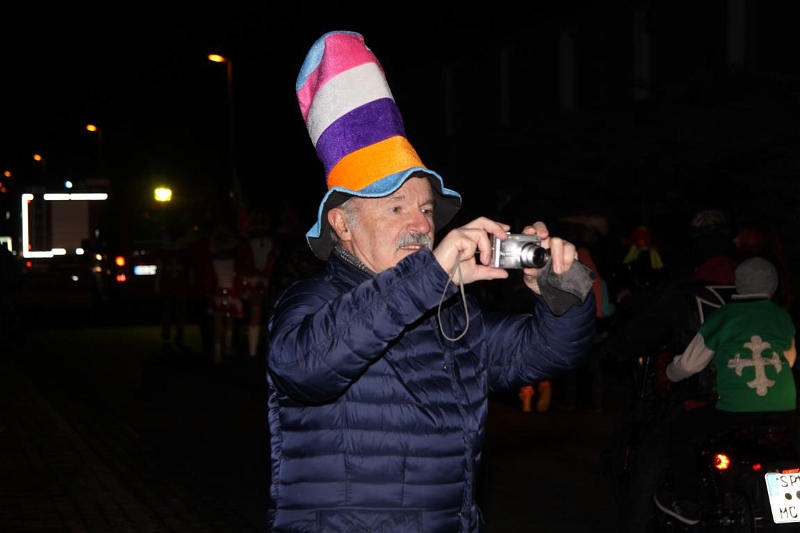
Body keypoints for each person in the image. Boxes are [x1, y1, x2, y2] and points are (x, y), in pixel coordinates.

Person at [266, 31, 597, 533]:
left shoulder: (450, 313)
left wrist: (561, 289)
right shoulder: (312, 301)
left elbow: (549, 353)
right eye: (396, 208)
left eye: (425, 209)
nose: (421, 224)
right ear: (342, 225)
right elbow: (303, 368)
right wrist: (428, 278)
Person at [653, 257, 799, 525]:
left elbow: (688, 365)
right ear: (773, 286)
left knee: (680, 432)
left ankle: (688, 502)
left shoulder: (722, 317)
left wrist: (670, 374)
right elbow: (788, 359)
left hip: (734, 409)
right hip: (784, 408)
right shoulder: (782, 317)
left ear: (737, 284)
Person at [237, 212, 278, 358]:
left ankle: (255, 351)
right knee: (259, 312)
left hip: (261, 282)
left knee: (259, 313)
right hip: (259, 282)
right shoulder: (264, 243)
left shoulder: (258, 243)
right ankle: (254, 350)